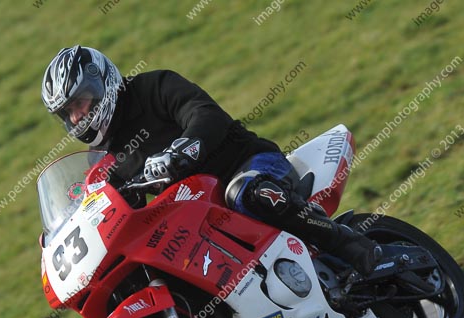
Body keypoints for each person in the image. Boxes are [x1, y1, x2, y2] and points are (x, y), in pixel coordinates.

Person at [41, 45, 382, 275]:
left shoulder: (153, 86)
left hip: (250, 163)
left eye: (81, 102)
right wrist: (63, 232)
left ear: (103, 82)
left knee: (247, 194)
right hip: (197, 214)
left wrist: (183, 150)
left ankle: (352, 247)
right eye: (68, 112)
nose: (77, 117)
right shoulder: (101, 158)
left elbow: (205, 114)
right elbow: (100, 205)